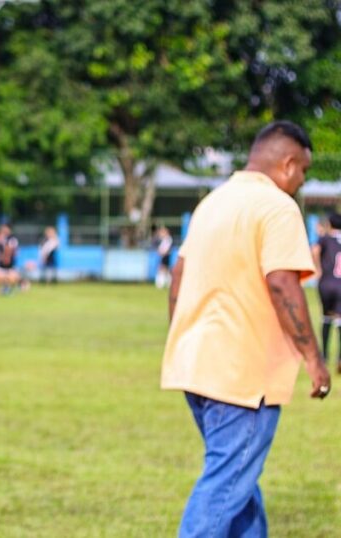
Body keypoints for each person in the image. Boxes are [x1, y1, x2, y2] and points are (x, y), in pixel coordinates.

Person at [162, 120, 330, 537]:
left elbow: (177, 279)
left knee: (239, 484)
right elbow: (281, 282)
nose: (302, 182)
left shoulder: (212, 204)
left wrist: (181, 341)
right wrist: (314, 358)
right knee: (225, 488)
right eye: (304, 172)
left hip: (197, 368)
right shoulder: (276, 206)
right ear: (289, 164)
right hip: (243, 375)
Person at [311, 212, 341, 374]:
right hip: (340, 284)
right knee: (340, 319)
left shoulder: (325, 239)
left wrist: (318, 269)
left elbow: (314, 250)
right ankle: (340, 357)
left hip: (327, 283)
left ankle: (324, 355)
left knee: (326, 317)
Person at [0, 224, 20, 295]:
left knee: (11, 277)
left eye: (5, 228)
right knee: (0, 276)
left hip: (8, 260)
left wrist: (6, 257)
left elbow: (9, 249)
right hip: (3, 260)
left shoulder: (12, 239)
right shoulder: (3, 237)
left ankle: (10, 288)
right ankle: (5, 288)